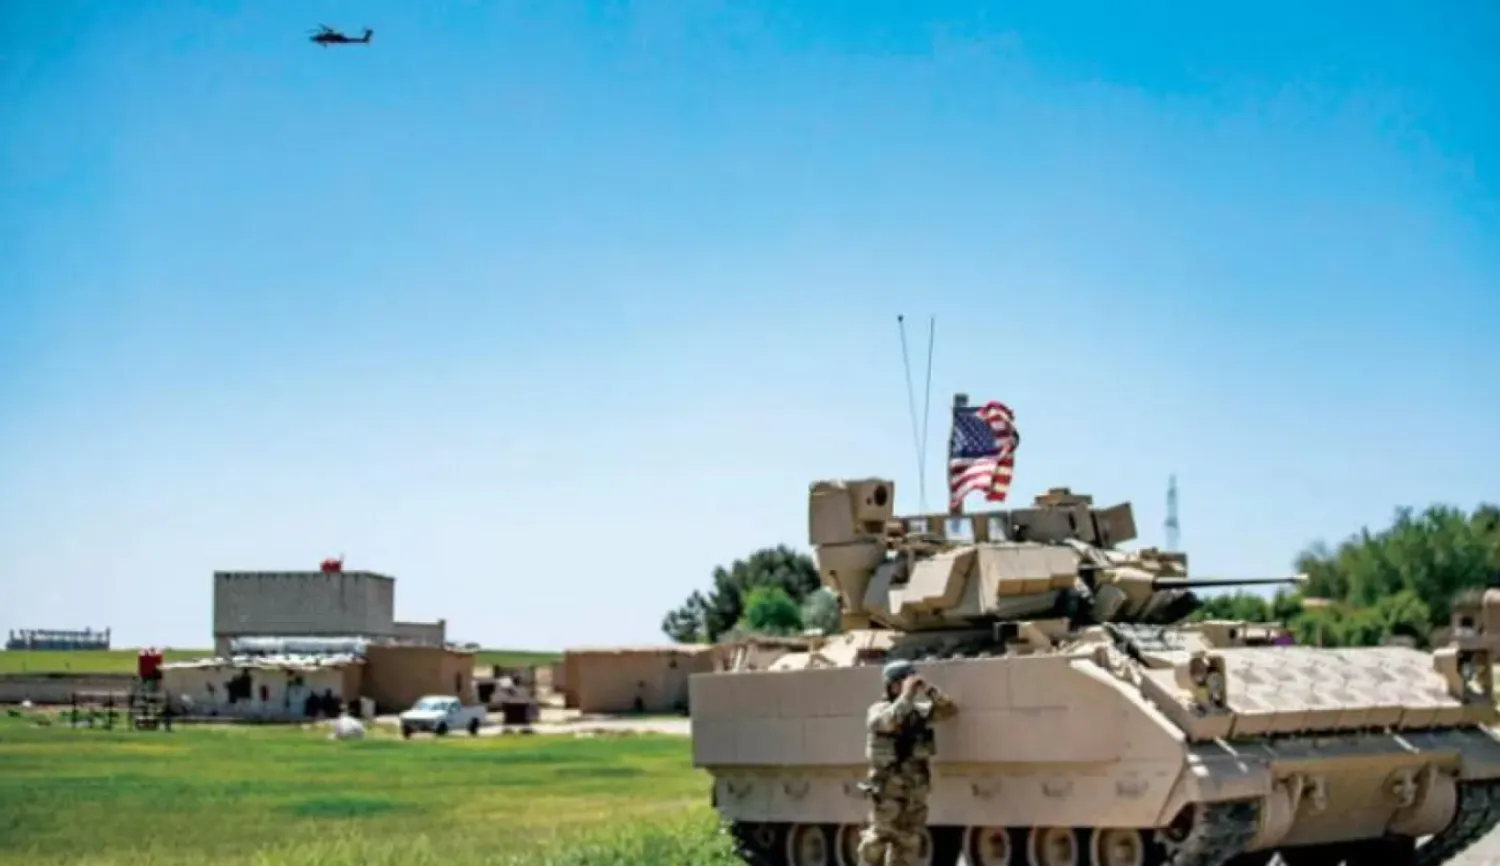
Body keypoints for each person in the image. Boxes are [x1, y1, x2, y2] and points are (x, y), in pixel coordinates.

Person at [856, 660, 960, 866]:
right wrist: (907, 694)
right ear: (892, 685)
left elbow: (948, 710)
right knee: (878, 838)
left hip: (915, 790)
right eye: (903, 681)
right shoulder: (878, 710)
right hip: (889, 790)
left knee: (909, 842)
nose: (908, 685)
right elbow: (890, 721)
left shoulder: (917, 712)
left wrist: (929, 691)